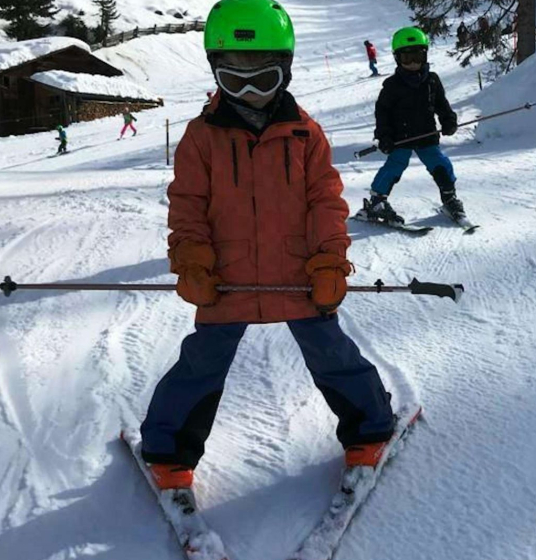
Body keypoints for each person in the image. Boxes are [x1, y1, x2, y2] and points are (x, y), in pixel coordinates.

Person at [138, 0, 396, 491]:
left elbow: (326, 202)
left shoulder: (305, 134)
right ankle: (169, 452)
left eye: (264, 78)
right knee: (201, 364)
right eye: (236, 80)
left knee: (331, 353)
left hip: (298, 278)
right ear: (215, 74)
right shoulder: (200, 138)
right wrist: (191, 258)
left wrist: (329, 263)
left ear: (287, 70)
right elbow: (187, 203)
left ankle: (371, 428)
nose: (251, 92)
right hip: (226, 283)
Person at [357, 27, 464, 225]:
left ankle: (449, 198)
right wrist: (384, 136)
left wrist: (448, 120)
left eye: (418, 56)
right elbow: (382, 112)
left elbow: (441, 104)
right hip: (400, 137)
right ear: (398, 59)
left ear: (425, 55)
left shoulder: (432, 80)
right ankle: (376, 202)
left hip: (426, 134)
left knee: (440, 164)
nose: (413, 63)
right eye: (407, 58)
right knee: (395, 166)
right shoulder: (392, 84)